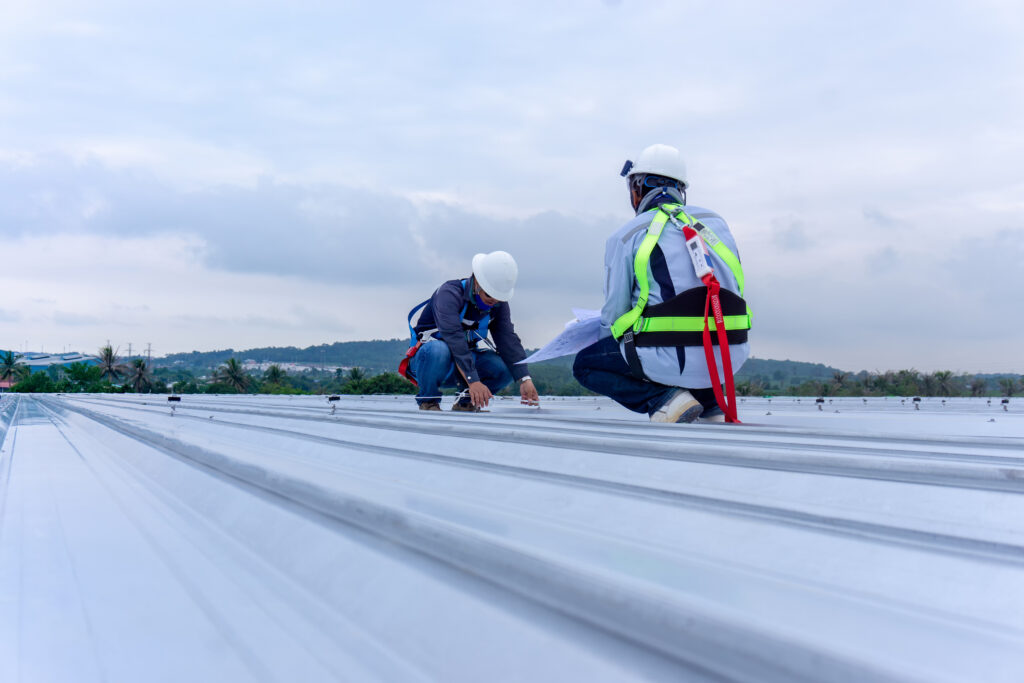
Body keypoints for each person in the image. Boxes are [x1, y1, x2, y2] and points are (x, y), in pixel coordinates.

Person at [573, 144, 751, 423]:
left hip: (671, 359)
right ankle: (710, 401)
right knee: (689, 336)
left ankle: (666, 400)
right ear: (681, 189)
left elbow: (615, 315)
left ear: (637, 188)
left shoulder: (627, 234)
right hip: (730, 356)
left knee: (586, 364)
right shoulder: (717, 223)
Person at [404, 251, 540, 411]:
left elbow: (508, 340)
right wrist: (473, 380)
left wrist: (524, 378)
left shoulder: (498, 304)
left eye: (499, 297)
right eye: (490, 294)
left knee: (506, 368)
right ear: (477, 282)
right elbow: (454, 339)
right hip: (431, 363)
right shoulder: (449, 294)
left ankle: (467, 401)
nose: (494, 301)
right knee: (438, 349)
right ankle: (429, 401)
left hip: (464, 364)